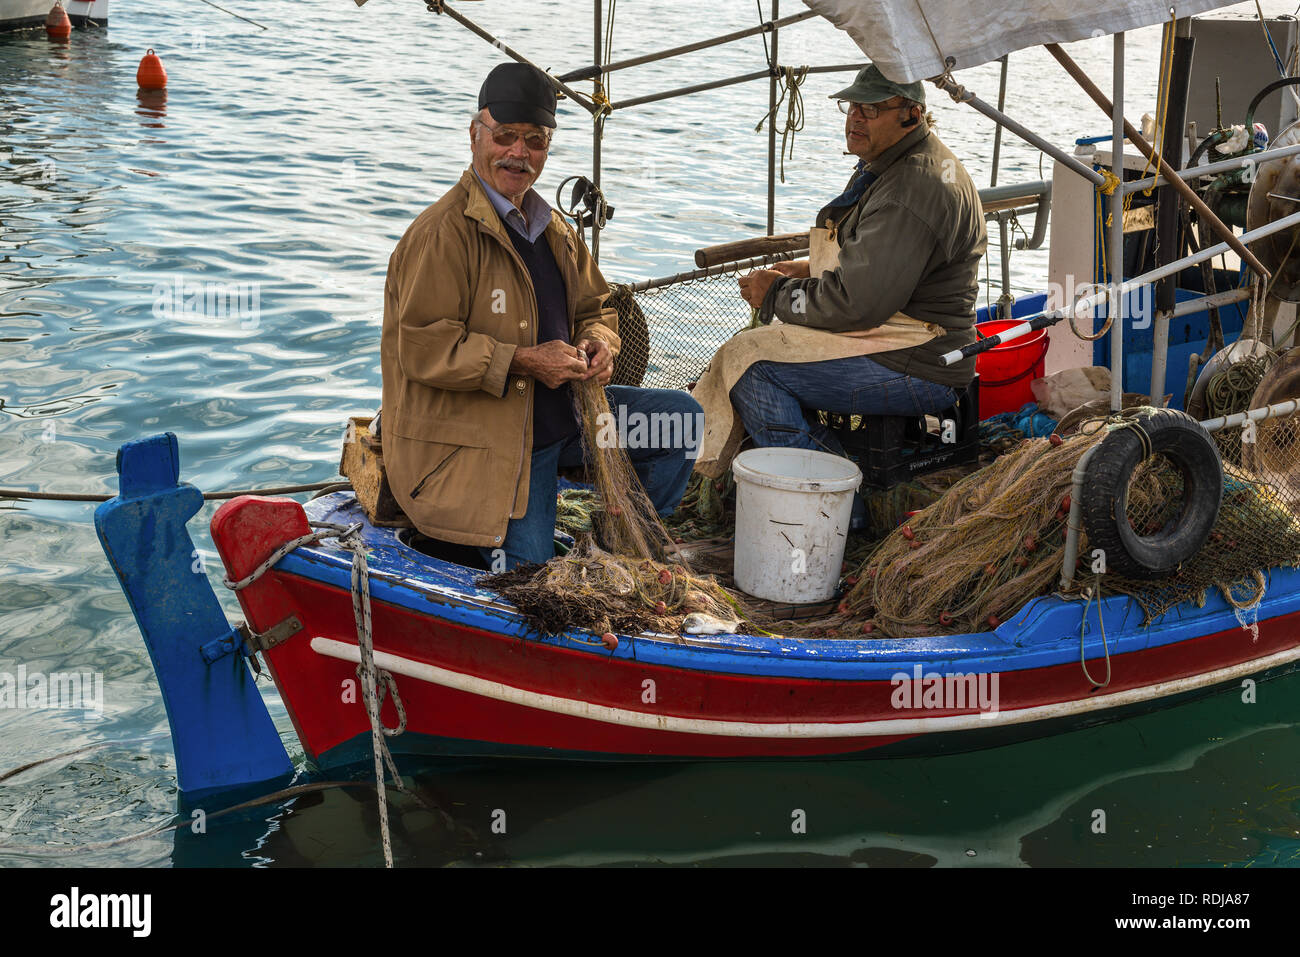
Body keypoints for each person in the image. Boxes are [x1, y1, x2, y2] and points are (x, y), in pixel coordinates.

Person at [380, 63, 701, 570]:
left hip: (568, 422)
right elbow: (423, 348)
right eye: (505, 136)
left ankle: (621, 555)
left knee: (676, 421)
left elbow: (597, 308)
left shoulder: (550, 227)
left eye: (535, 140)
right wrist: (525, 361)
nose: (519, 153)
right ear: (475, 135)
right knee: (532, 579)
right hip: (492, 444)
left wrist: (599, 343)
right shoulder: (442, 234)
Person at [734, 64, 987, 454]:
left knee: (749, 370)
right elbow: (886, 265)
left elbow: (857, 305)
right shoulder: (912, 161)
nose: (854, 117)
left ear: (911, 115)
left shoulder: (911, 187)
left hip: (919, 365)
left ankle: (826, 495)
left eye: (869, 110)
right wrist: (809, 270)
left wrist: (776, 294)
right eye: (851, 106)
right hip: (917, 346)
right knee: (757, 349)